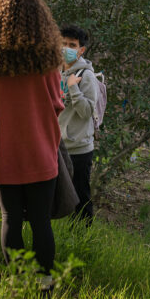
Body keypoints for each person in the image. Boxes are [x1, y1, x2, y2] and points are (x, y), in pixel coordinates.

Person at [0, 0, 64, 292]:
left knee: (10, 218)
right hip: (40, 149)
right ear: (39, 21)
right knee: (41, 221)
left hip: (2, 150)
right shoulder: (47, 61)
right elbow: (57, 103)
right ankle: (45, 285)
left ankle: (17, 283)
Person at [59, 25, 98, 222]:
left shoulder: (87, 75)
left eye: (72, 45)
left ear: (81, 50)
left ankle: (83, 237)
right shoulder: (55, 72)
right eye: (64, 43)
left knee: (80, 197)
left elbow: (86, 112)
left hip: (79, 148)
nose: (66, 48)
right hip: (57, 145)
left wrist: (74, 88)